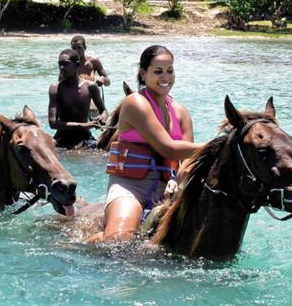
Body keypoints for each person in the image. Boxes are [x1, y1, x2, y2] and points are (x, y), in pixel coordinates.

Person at [86, 45, 204, 243]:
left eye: (170, 70)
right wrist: (219, 144)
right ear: (143, 73)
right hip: (131, 186)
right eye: (158, 71)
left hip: (168, 185)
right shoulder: (135, 103)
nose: (165, 77)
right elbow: (168, 148)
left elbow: (187, 159)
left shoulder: (181, 112)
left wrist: (178, 180)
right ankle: (94, 241)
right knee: (118, 242)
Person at [48, 49, 108, 149]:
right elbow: (53, 123)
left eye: (66, 64)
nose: (62, 67)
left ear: (77, 65)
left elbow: (104, 110)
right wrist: (84, 125)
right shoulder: (55, 88)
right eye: (60, 64)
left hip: (85, 138)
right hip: (62, 139)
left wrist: (102, 118)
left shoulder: (90, 87)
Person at [70, 35, 110, 119]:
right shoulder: (69, 64)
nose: (76, 51)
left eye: (79, 48)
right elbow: (60, 84)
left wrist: (103, 79)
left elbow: (108, 82)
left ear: (85, 47)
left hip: (93, 101)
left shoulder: (94, 62)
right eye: (74, 48)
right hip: (76, 102)